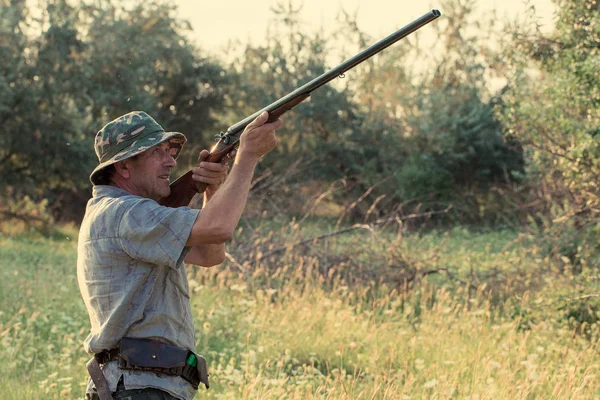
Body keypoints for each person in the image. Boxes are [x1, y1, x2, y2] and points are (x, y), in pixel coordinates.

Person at [77, 110, 282, 400]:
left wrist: (213, 191)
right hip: (139, 388)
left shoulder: (124, 213)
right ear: (124, 167)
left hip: (144, 386)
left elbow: (211, 253)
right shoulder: (125, 213)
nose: (171, 160)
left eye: (169, 151)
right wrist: (247, 156)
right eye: (156, 152)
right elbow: (219, 227)